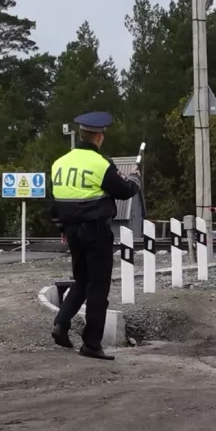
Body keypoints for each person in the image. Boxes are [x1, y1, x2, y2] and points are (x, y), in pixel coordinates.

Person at [49, 111, 141, 360]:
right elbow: (124, 191)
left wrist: (62, 228)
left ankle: (61, 322)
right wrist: (135, 178)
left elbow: (55, 201)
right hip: (96, 230)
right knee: (98, 287)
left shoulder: (59, 163)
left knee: (81, 280)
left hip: (72, 231)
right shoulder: (101, 164)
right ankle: (91, 344)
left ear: (81, 135)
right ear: (99, 137)